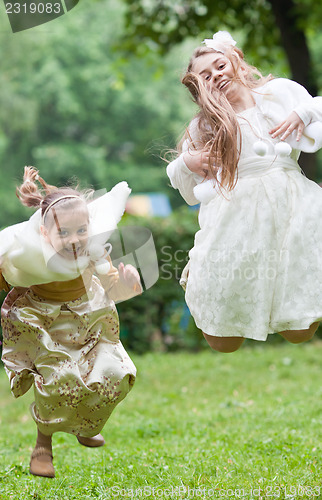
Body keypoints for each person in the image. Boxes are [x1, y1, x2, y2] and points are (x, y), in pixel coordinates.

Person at [166, 31, 322, 354]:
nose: (216, 76)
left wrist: (303, 113)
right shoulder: (205, 126)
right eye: (205, 77)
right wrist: (187, 161)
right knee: (223, 340)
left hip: (291, 205)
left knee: (301, 329)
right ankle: (207, 275)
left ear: (235, 59)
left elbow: (317, 109)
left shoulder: (276, 96)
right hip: (236, 216)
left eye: (220, 66)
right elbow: (187, 188)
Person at [1, 167, 141, 478]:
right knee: (58, 381)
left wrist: (129, 285)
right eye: (63, 233)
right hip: (45, 324)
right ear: (44, 232)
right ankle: (43, 445)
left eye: (81, 230)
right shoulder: (27, 256)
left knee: (118, 374)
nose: (74, 240)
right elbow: (7, 273)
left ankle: (87, 424)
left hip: (89, 321)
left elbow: (111, 290)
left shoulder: (92, 254)